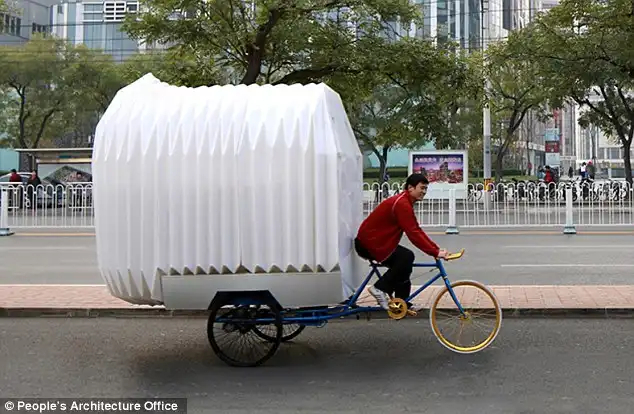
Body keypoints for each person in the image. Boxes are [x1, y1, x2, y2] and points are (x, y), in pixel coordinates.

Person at [354, 173, 448, 310]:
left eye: (426, 189)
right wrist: (435, 251)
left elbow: (416, 229)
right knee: (405, 258)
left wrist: (435, 249)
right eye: (421, 188)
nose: (424, 192)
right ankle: (379, 288)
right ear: (410, 188)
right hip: (369, 244)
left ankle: (401, 305)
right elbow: (413, 233)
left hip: (377, 242)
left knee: (405, 260)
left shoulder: (404, 202)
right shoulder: (402, 204)